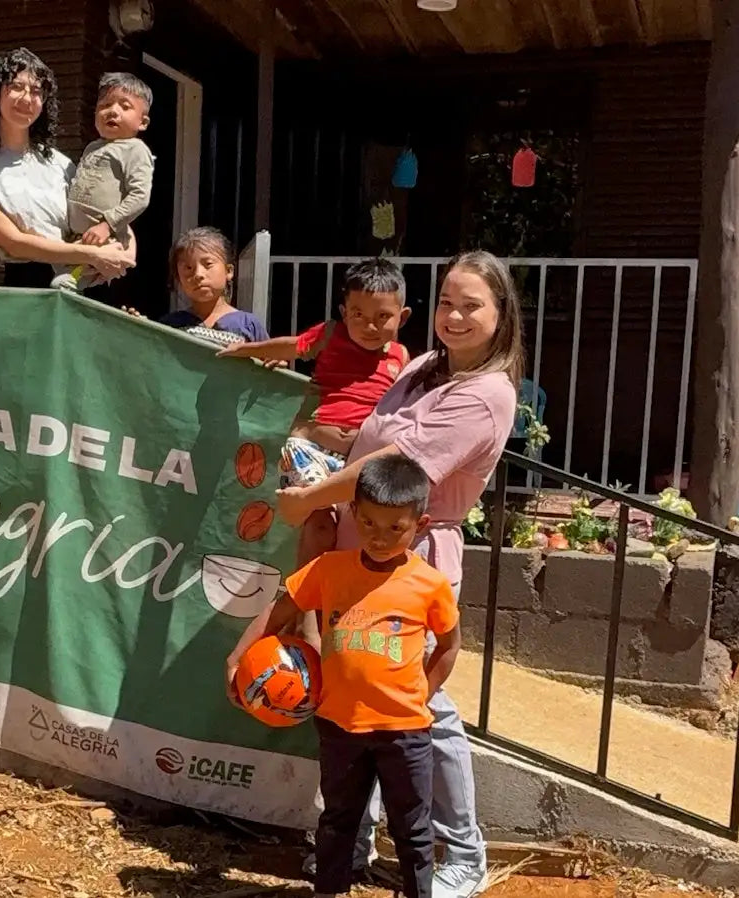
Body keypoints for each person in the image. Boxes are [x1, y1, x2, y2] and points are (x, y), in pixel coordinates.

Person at [275, 251, 523, 898]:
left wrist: (308, 499)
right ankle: (354, 842)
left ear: (501, 316)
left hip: (411, 562)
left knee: (422, 706)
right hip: (357, 556)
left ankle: (464, 854)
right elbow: (364, 441)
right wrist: (311, 448)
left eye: (473, 305)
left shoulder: (488, 395)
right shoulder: (418, 367)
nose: (456, 315)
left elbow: (398, 463)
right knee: (355, 690)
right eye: (447, 301)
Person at [227, 456, 460, 898]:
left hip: (404, 733)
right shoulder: (328, 571)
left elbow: (449, 647)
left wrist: (420, 698)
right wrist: (238, 657)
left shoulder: (430, 585)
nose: (380, 536)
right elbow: (277, 612)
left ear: (421, 524)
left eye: (396, 527)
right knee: (337, 822)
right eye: (369, 523)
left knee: (412, 830)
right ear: (353, 513)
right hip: (340, 727)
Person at [219, 257, 411, 490]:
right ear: (344, 312)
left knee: (340, 524)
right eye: (358, 314)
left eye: (382, 317)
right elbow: (292, 346)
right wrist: (245, 349)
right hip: (307, 449)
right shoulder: (330, 335)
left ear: (402, 317)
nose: (369, 327)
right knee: (318, 520)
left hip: (358, 463)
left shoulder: (400, 357)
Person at [0, 47, 133, 288]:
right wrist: (91, 255)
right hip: (24, 284)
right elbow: (11, 242)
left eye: (37, 91)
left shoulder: (62, 164)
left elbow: (104, 213)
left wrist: (125, 253)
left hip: (75, 280)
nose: (27, 98)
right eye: (16, 86)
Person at [53, 72, 155, 291]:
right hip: (76, 236)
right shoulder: (92, 147)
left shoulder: (135, 149)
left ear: (143, 122)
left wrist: (107, 224)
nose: (113, 111)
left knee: (72, 278)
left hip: (105, 236)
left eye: (124, 107)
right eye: (105, 105)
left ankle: (77, 279)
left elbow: (140, 197)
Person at [158, 227, 268, 347]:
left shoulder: (248, 325)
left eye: (208, 264)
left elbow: (267, 360)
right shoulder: (169, 326)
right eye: (188, 268)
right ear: (179, 279)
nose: (198, 274)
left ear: (229, 271)